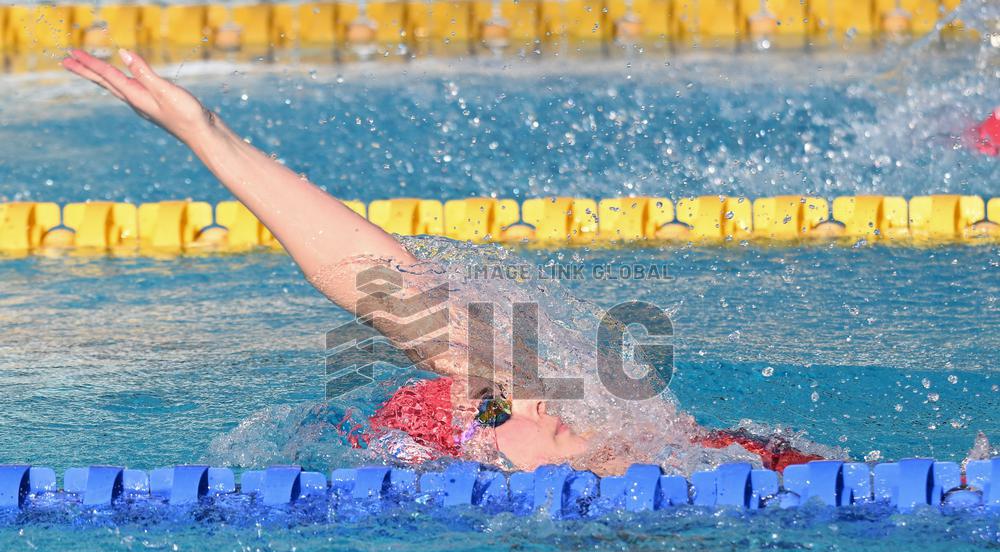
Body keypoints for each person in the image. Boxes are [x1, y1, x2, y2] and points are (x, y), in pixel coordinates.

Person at [62, 48, 827, 476]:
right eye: (497, 410)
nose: (538, 399)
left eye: (500, 398)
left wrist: (211, 134)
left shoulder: (700, 455)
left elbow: (382, 281)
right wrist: (203, 137)